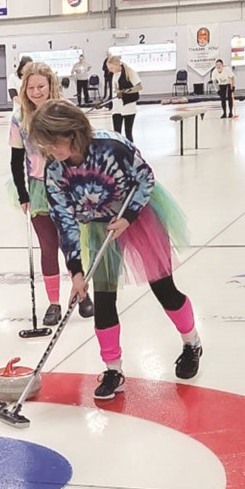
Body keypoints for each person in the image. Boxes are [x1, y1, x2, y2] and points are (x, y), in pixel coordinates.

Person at [26, 99, 203, 400]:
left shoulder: (112, 146)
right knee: (104, 299)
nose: (50, 152)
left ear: (71, 132)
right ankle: (113, 369)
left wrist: (128, 217)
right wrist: (76, 271)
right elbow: (64, 219)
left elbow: (145, 177)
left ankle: (192, 342)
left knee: (164, 288)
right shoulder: (54, 170)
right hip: (98, 227)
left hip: (136, 216)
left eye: (53, 143)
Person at [10, 62, 93, 325]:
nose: (36, 92)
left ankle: (82, 292)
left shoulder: (65, 113)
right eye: (31, 87)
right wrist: (23, 194)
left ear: (51, 86)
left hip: (69, 183)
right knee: (48, 245)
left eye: (41, 86)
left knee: (74, 241)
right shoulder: (19, 118)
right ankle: (54, 302)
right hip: (38, 187)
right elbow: (16, 158)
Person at [106, 55, 142, 142]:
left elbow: (139, 87)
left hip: (129, 107)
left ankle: (131, 152)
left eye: (111, 67)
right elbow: (114, 91)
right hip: (117, 107)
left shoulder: (129, 72)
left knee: (128, 132)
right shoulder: (114, 75)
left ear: (117, 64)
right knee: (116, 133)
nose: (110, 70)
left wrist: (125, 91)